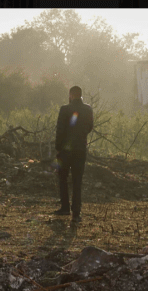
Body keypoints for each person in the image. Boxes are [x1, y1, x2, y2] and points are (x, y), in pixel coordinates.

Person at [53, 86, 94, 223]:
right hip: (80, 149)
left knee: (63, 178)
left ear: (71, 95)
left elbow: (60, 130)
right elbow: (90, 127)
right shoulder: (88, 109)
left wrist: (58, 147)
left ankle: (65, 207)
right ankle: (76, 212)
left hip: (66, 149)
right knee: (77, 180)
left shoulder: (65, 109)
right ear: (80, 95)